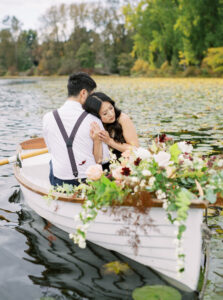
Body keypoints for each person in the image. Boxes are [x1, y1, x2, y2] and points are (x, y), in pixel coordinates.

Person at [43, 73, 110, 187]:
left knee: (53, 160)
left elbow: (51, 150)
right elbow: (103, 159)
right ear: (83, 93)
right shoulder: (94, 120)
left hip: (60, 182)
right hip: (88, 182)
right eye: (91, 95)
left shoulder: (48, 117)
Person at [83, 92, 139, 164]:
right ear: (96, 116)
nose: (111, 114)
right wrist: (97, 140)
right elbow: (98, 161)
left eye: (111, 108)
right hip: (105, 165)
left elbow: (135, 149)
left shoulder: (123, 119)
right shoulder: (94, 125)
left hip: (126, 163)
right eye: (105, 113)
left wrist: (109, 141)